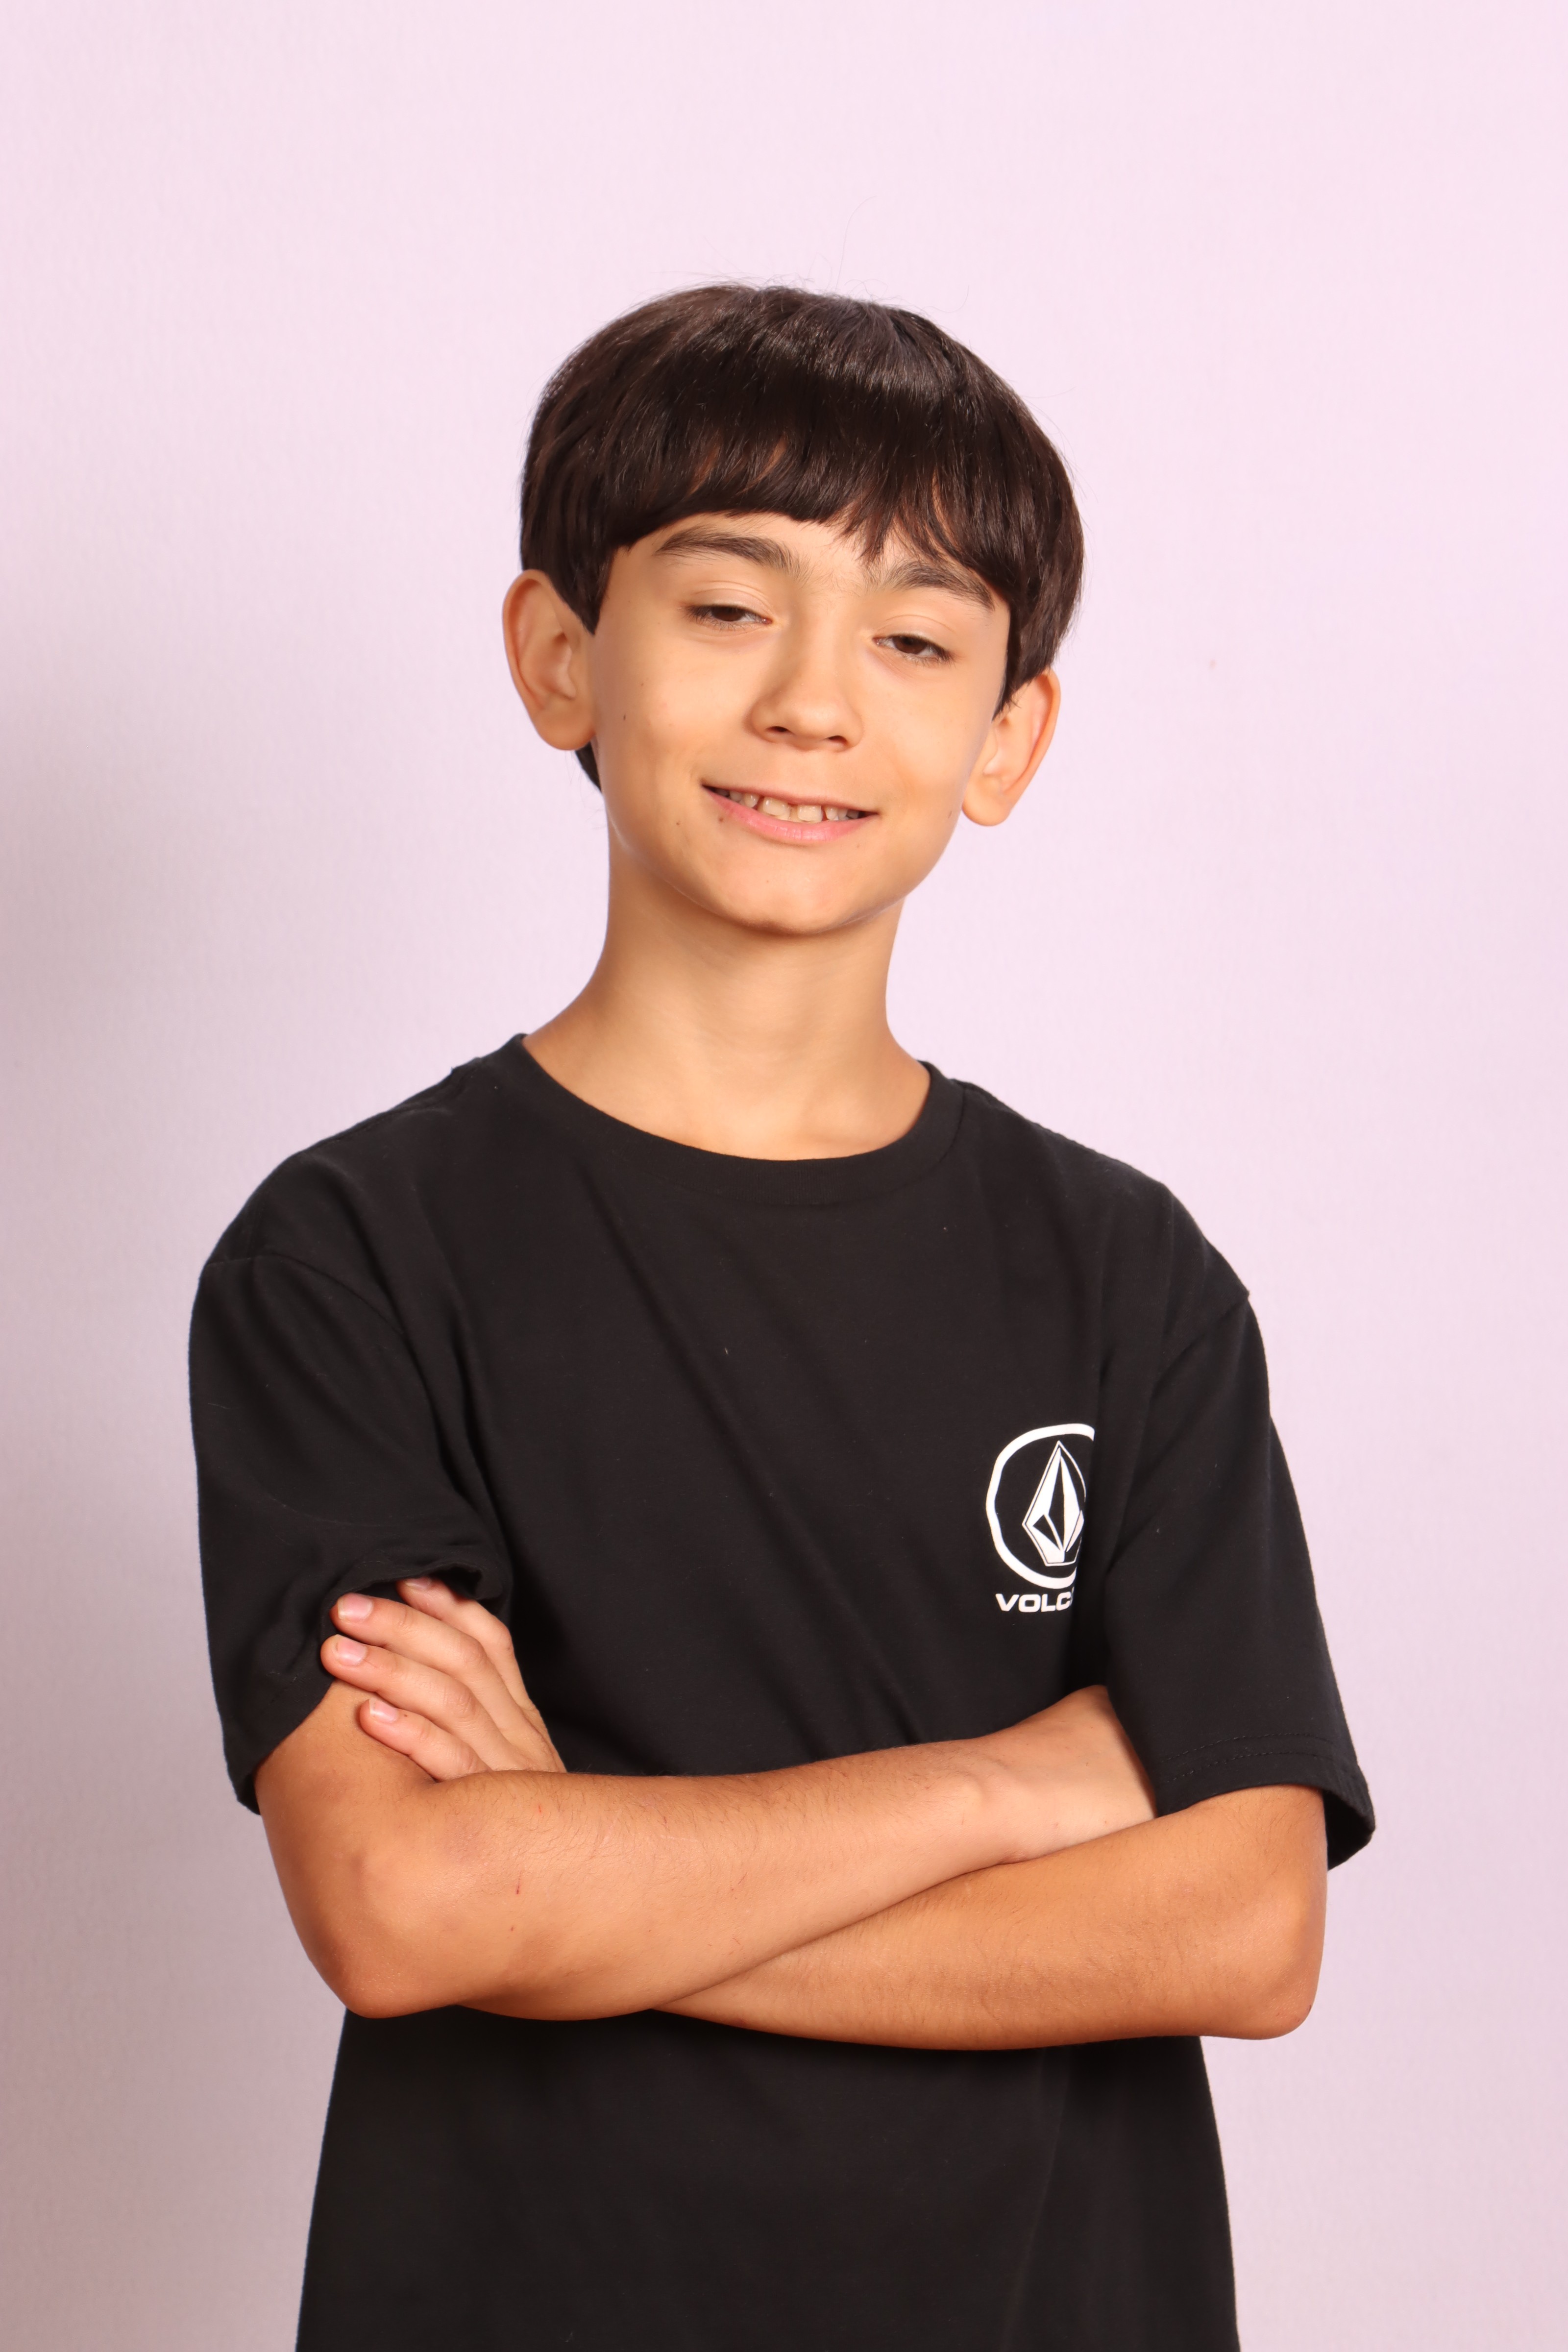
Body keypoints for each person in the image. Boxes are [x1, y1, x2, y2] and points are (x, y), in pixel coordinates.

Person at [190, 284, 1372, 2352]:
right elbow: (405, 1904)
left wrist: (577, 1879)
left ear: (1007, 738)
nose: (815, 703)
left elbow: (1243, 1932)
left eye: (914, 640)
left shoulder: (1128, 1277)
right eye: (729, 608)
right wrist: (1012, 1789)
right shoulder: (353, 1253)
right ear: (560, 654)